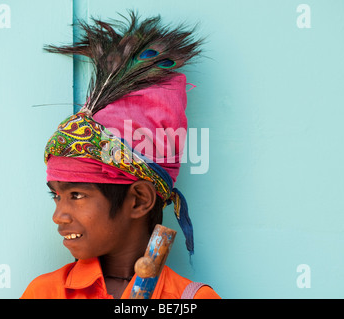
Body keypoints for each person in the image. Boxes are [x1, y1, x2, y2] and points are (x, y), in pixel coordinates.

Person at [21, 12, 220, 299]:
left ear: (139, 200)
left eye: (76, 195)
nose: (58, 215)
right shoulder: (46, 293)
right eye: (56, 195)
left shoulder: (190, 298)